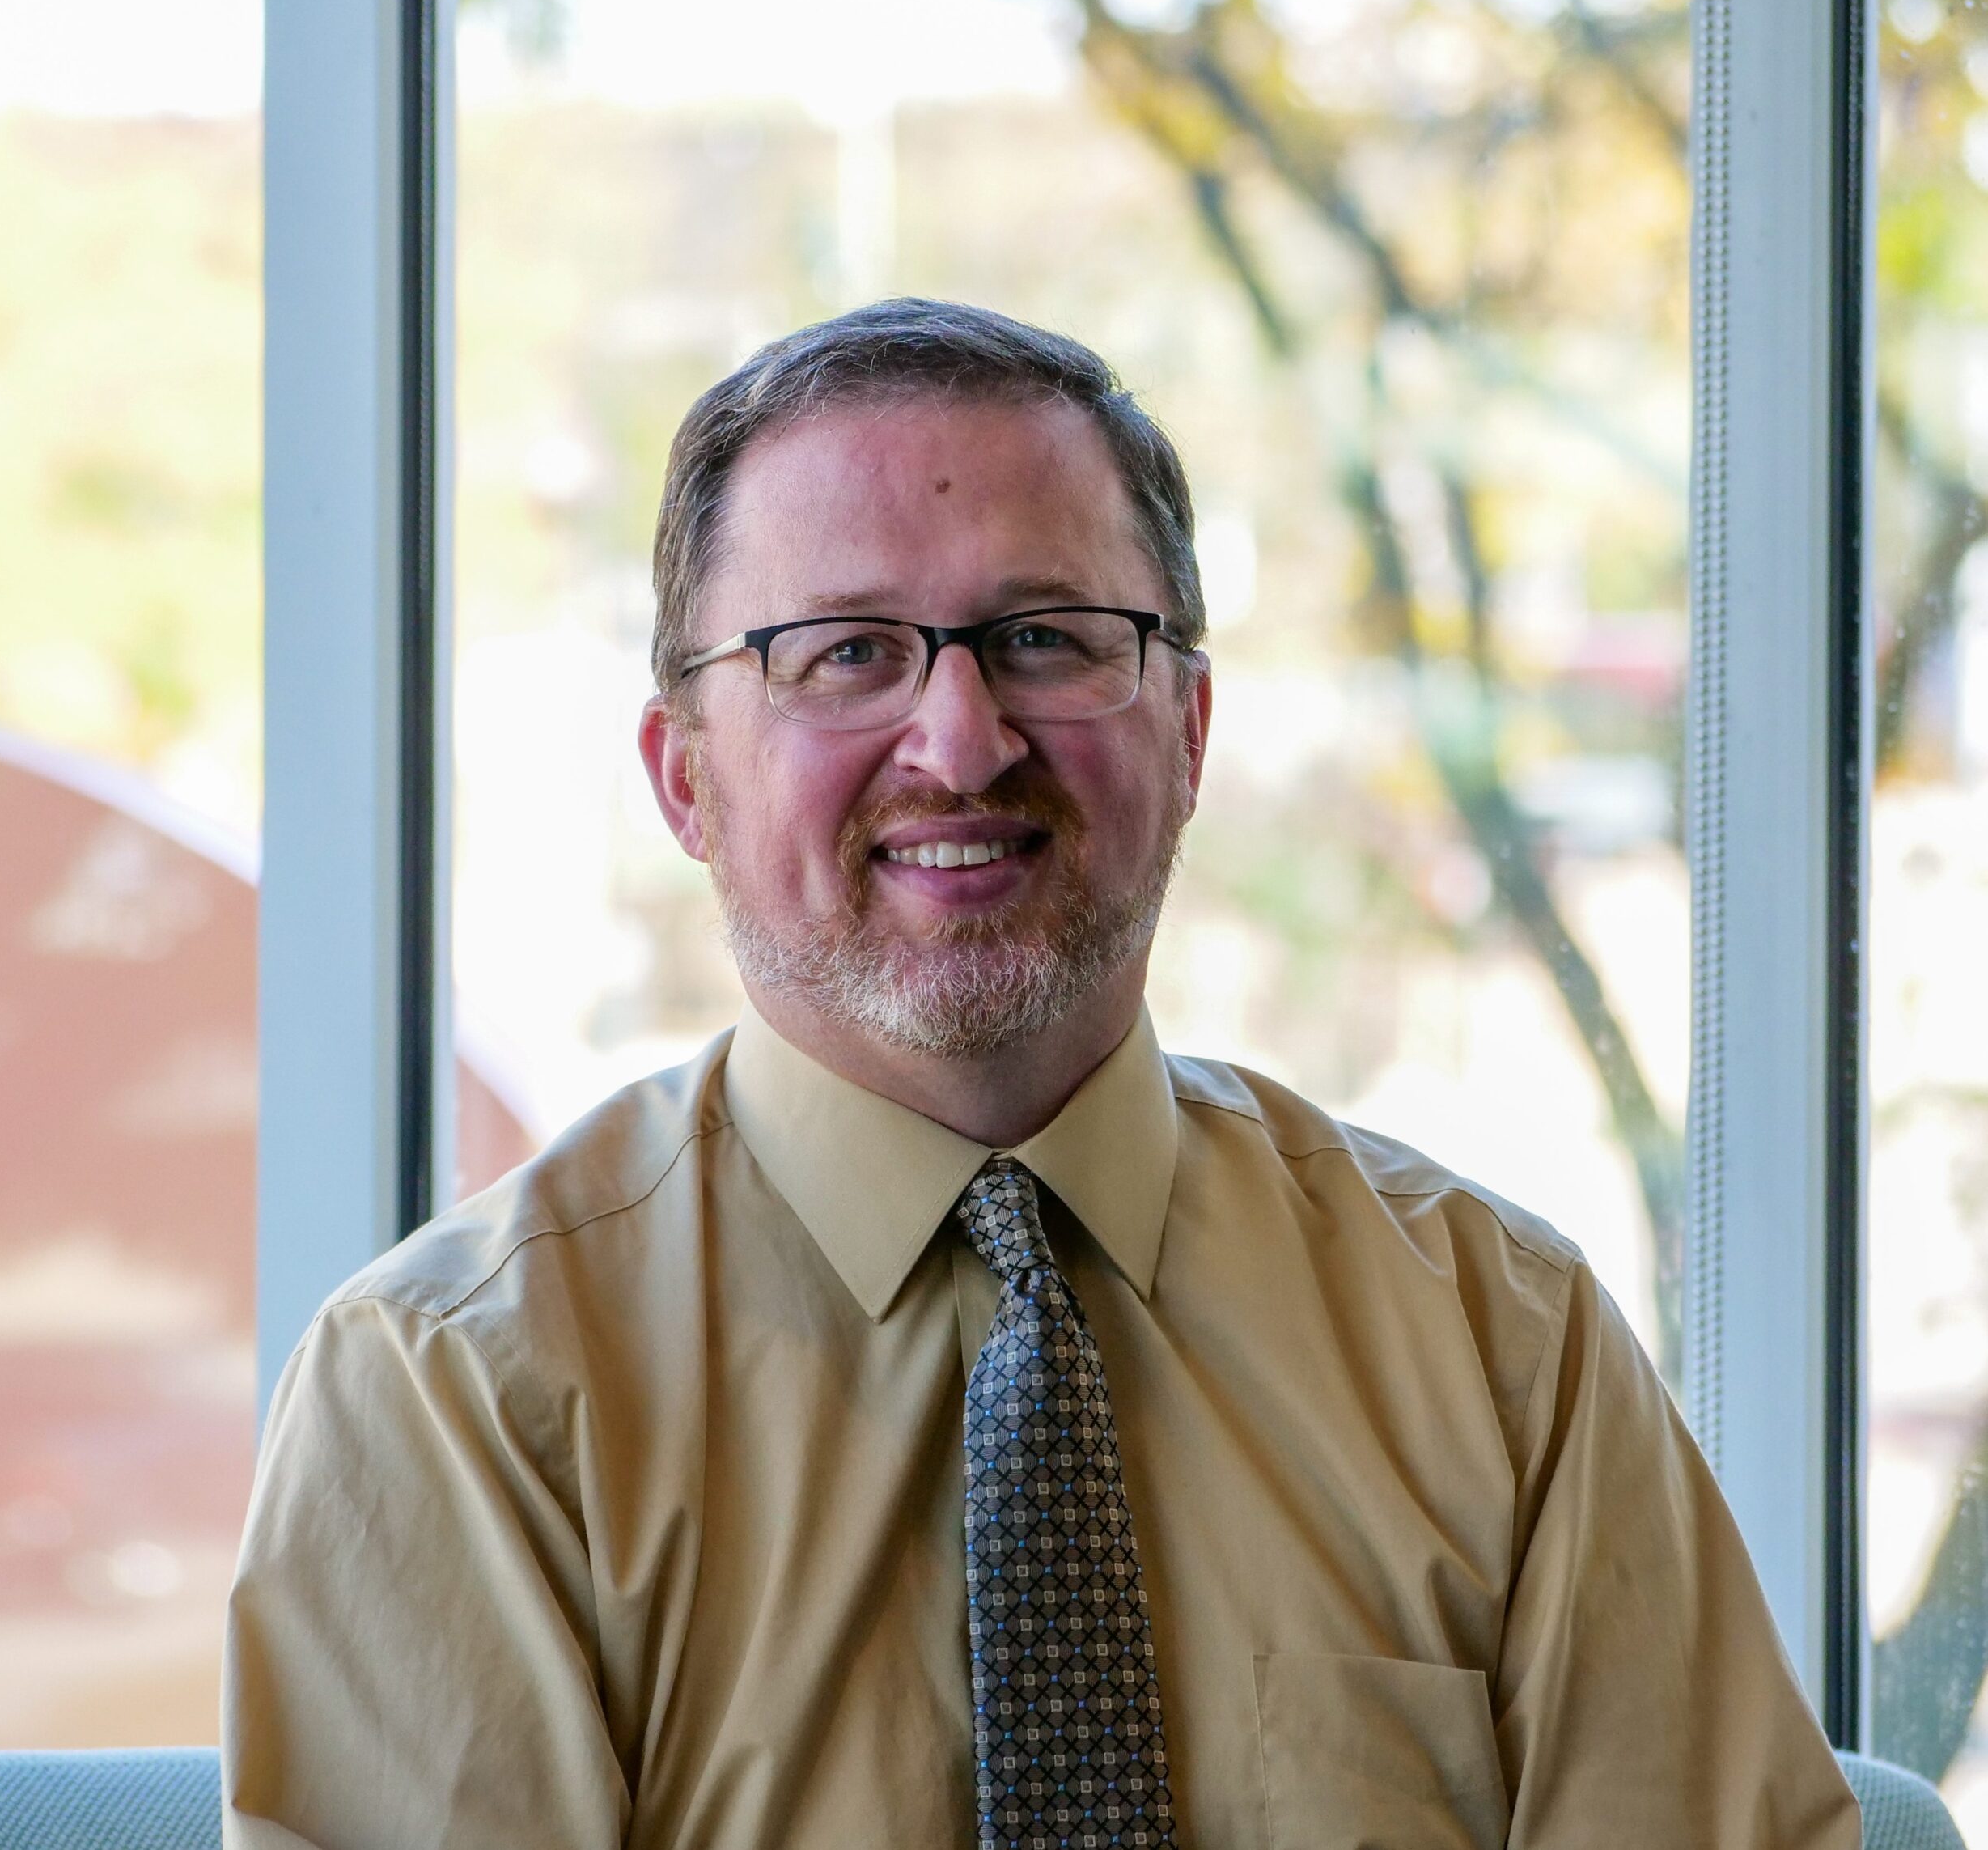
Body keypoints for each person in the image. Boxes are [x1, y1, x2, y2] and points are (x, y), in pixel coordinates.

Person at [222, 299, 1859, 1848]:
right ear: (684, 778)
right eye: (845, 652)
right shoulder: (459, 1395)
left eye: (1043, 637)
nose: (958, 735)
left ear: (1190, 728)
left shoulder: (1503, 1347)